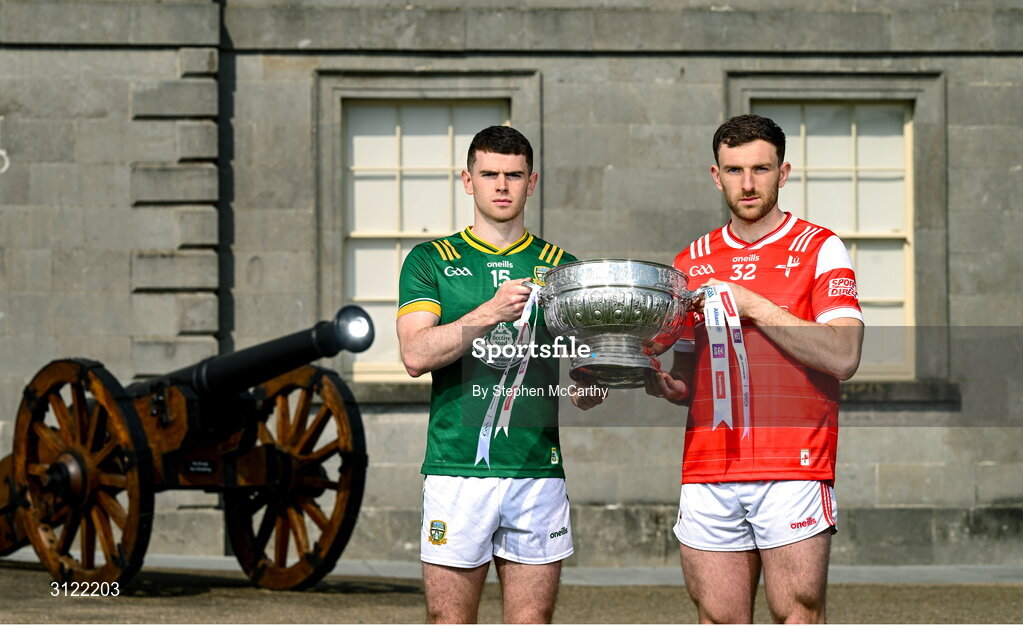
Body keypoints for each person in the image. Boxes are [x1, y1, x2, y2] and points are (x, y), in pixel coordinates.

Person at [646, 114, 864, 624]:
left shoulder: (820, 247)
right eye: (734, 170)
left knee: (798, 611)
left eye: (760, 169)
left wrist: (756, 306)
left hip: (792, 463)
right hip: (708, 467)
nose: (747, 184)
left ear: (783, 173)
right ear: (715, 175)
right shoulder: (689, 262)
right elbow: (687, 376)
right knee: (719, 617)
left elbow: (843, 355)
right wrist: (666, 385)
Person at [396, 125, 602, 624]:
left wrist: (592, 385)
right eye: (490, 174)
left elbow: (581, 376)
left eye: (514, 175)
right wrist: (487, 313)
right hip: (456, 470)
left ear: (533, 182)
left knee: (531, 622)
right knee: (450, 621)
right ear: (468, 181)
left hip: (536, 470)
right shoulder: (431, 260)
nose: (502, 186)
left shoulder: (562, 268)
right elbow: (415, 354)